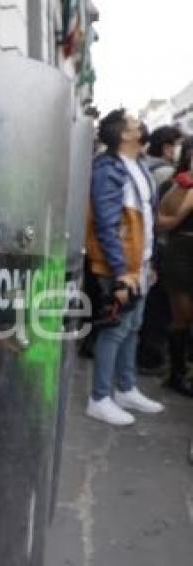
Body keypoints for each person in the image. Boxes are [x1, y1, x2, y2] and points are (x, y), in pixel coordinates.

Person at [84, 109, 165, 425]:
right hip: (120, 267)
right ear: (123, 135)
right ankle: (100, 397)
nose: (140, 126)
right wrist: (120, 272)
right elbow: (106, 224)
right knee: (115, 330)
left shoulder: (140, 166)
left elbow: (147, 221)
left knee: (132, 328)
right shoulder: (107, 169)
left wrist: (150, 262)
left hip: (139, 264)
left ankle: (125, 388)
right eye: (134, 123)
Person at [136, 126, 184, 373]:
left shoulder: (147, 168)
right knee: (163, 312)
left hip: (155, 249)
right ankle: (153, 359)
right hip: (166, 251)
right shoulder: (170, 177)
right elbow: (163, 218)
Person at [156, 136, 193, 396]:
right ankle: (177, 374)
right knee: (182, 316)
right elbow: (162, 220)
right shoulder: (177, 183)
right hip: (181, 251)